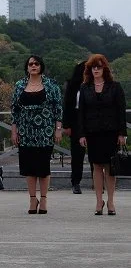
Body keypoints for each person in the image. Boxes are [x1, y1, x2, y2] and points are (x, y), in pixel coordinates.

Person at [11, 55, 62, 215]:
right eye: (30, 64)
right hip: (26, 131)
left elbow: (58, 108)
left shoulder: (51, 84)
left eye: (36, 64)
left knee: (43, 166)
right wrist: (14, 130)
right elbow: (14, 110)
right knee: (29, 167)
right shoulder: (20, 85)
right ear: (27, 67)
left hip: (45, 131)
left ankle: (44, 198)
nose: (33, 66)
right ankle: (33, 198)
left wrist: (58, 128)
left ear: (41, 66)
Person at [78, 54, 127, 216]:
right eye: (93, 67)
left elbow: (121, 111)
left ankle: (111, 201)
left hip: (111, 133)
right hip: (92, 133)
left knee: (110, 167)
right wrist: (82, 134)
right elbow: (81, 114)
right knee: (96, 167)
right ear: (89, 70)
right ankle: (99, 201)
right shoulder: (84, 88)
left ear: (104, 68)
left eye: (99, 66)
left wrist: (122, 133)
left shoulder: (115, 86)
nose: (96, 69)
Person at [62, 62, 87, 194]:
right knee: (77, 154)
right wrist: (66, 125)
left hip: (93, 119)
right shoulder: (72, 85)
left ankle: (99, 181)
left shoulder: (97, 83)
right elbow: (67, 105)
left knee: (96, 151)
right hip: (76, 120)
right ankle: (76, 182)